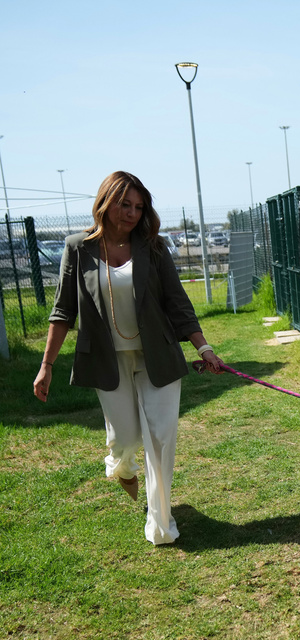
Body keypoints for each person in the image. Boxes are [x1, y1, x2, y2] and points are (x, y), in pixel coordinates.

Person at [32, 171, 224, 546]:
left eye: (139, 206)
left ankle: (161, 524)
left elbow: (177, 303)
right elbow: (62, 312)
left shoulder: (153, 246)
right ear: (107, 202)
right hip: (108, 360)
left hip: (159, 357)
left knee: (160, 439)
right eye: (125, 204)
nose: (132, 213)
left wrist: (204, 348)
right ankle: (120, 463)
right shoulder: (78, 248)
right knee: (127, 437)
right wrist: (46, 366)